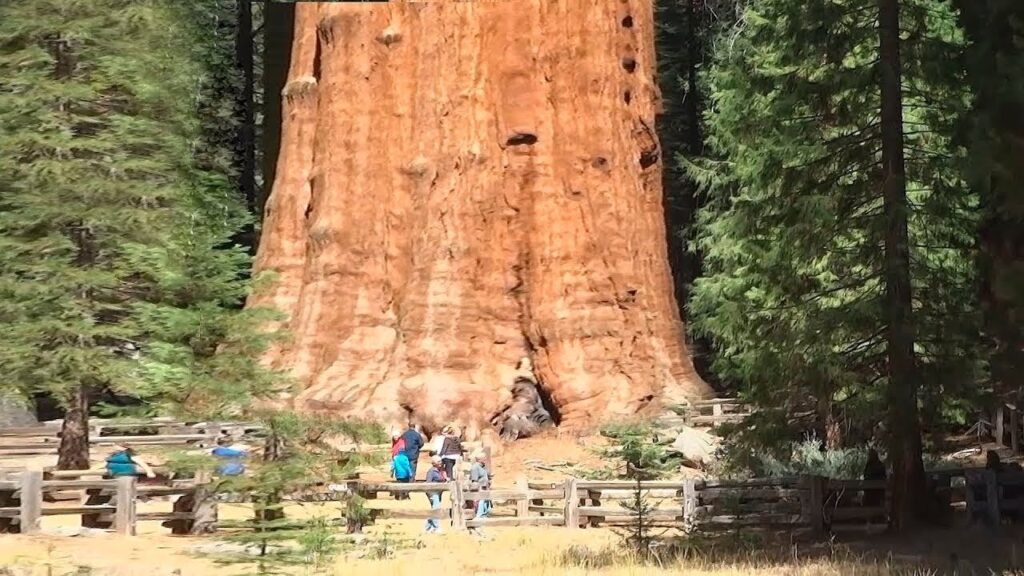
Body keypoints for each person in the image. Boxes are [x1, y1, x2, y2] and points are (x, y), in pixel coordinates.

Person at [424, 456, 446, 534]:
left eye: (440, 461)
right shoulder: (431, 471)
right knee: (436, 509)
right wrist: (430, 494)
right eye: (438, 461)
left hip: (439, 492)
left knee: (435, 509)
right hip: (433, 493)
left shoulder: (440, 471)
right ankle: (437, 527)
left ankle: (427, 527)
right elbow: (428, 483)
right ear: (434, 463)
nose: (440, 463)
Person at [468, 451, 492, 518]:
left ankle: (485, 514)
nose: (485, 459)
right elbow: (474, 480)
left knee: (486, 501)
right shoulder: (475, 467)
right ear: (479, 459)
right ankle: (479, 515)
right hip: (480, 487)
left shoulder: (483, 467)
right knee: (481, 501)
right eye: (484, 458)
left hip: (485, 487)